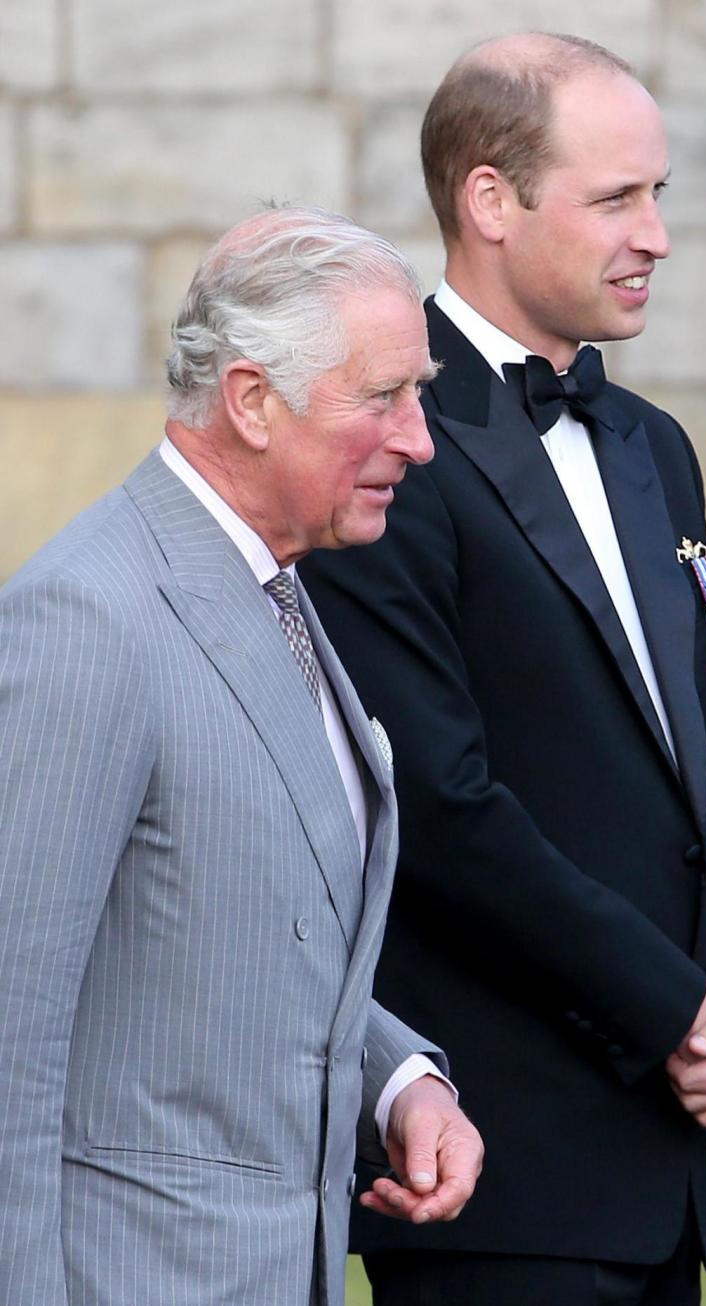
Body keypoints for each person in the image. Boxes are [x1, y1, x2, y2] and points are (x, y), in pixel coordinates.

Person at [299, 32, 706, 1306]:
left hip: (665, 1175)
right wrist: (689, 1017)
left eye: (662, 196)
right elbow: (436, 802)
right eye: (617, 198)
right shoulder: (384, 437)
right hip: (493, 1175)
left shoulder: (655, 443)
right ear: (491, 199)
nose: (656, 235)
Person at [0, 206, 484, 1306]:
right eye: (385, 397)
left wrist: (398, 1078)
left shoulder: (275, 586)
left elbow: (245, 931)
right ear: (252, 401)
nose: (420, 439)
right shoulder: (88, 620)